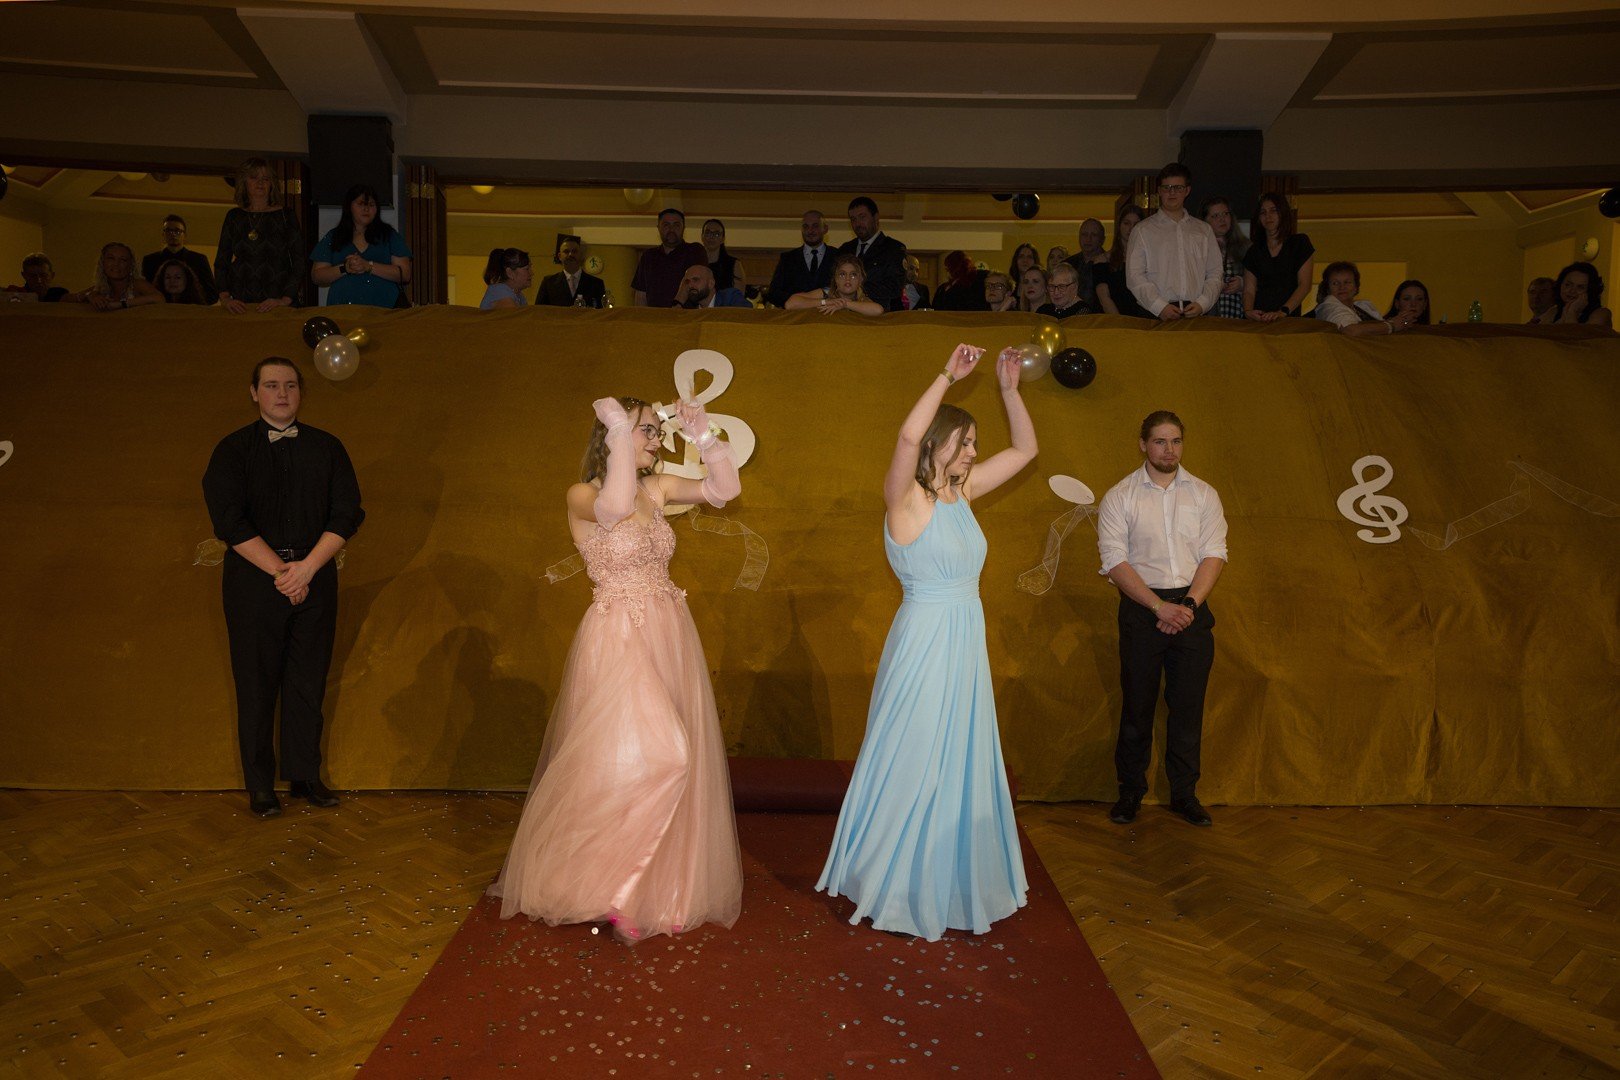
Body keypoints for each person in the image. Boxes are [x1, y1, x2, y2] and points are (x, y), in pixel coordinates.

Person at [489, 395, 743, 942]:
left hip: (668, 632)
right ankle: (611, 883)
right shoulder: (582, 495)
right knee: (652, 755)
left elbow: (725, 491)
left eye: (655, 431)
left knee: (654, 759)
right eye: (646, 430)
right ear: (613, 435)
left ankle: (648, 888)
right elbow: (614, 505)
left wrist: (702, 433)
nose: (656, 439)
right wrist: (618, 433)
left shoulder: (658, 488)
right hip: (619, 635)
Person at [818, 344, 1037, 941]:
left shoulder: (963, 494)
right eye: (964, 442)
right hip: (925, 641)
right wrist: (947, 375)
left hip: (964, 640)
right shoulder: (906, 499)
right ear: (940, 443)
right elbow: (907, 437)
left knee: (956, 756)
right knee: (915, 753)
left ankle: (948, 879)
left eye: (975, 444)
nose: (973, 452)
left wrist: (1009, 390)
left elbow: (1026, 451)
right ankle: (893, 880)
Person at [202, 358, 364, 818]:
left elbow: (347, 513)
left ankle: (304, 775)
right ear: (254, 392)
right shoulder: (232, 450)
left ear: (301, 393)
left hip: (315, 575)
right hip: (254, 582)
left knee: (307, 681)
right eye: (271, 385)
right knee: (255, 684)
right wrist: (281, 573)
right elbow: (229, 521)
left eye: (290, 385)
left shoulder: (328, 448)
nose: (282, 393)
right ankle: (260, 786)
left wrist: (306, 569)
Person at [1097, 411, 1227, 828]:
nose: (1169, 450)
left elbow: (1214, 554)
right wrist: (1158, 607)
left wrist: (1186, 606)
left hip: (1192, 609)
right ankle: (1130, 793)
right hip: (1141, 611)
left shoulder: (1204, 494)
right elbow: (1114, 561)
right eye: (1159, 442)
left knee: (1187, 709)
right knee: (1137, 707)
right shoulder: (1120, 496)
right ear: (1143, 445)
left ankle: (1185, 795)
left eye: (1175, 441)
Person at [1126, 163, 1222, 321]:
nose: (1172, 192)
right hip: (1154, 314)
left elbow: (1215, 273)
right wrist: (1159, 306)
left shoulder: (1204, 230)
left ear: (1187, 191)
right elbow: (1134, 276)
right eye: (1167, 188)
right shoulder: (1142, 230)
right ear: (1159, 191)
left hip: (1196, 312)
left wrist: (1203, 303)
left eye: (1178, 188)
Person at [215, 157, 305, 312]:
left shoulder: (286, 215)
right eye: (254, 177)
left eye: (266, 178)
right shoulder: (234, 216)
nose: (260, 182)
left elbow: (299, 261)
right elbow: (221, 261)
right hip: (240, 305)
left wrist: (285, 300)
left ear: (272, 184)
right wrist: (225, 298)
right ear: (244, 182)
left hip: (277, 303)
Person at [310, 185, 411, 308]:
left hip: (384, 311)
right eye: (361, 204)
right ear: (349, 206)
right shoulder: (334, 236)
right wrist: (345, 268)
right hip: (342, 310)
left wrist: (368, 266)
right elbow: (317, 275)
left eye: (371, 205)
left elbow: (405, 273)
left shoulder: (388, 235)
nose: (366, 209)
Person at [1242, 192, 1314, 321]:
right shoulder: (1254, 251)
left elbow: (1304, 285)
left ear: (1283, 213)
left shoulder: (1299, 243)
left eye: (1273, 210)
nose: (1268, 216)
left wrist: (1283, 312)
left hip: (1288, 319)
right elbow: (1249, 290)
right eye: (1263, 212)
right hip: (1259, 319)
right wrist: (1248, 312)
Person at [838, 196, 907, 312]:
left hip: (882, 315)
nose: (858, 223)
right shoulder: (845, 249)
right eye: (853, 219)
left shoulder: (893, 248)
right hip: (848, 315)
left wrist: (854, 288)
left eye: (862, 217)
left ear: (876, 217)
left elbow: (895, 287)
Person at [632, 208, 707, 307]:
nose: (671, 229)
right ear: (658, 228)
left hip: (687, 315)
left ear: (683, 228)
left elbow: (699, 285)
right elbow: (641, 294)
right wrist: (640, 316)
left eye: (676, 225)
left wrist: (677, 306)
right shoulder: (648, 256)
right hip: (654, 315)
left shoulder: (694, 251)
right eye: (666, 225)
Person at [1314, 262, 1413, 336]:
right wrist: (1391, 326)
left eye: (1347, 282)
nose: (1342, 287)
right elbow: (1351, 330)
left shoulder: (1363, 306)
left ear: (1356, 287)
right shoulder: (1328, 307)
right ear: (1328, 288)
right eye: (1335, 283)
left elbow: (1383, 327)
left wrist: (1403, 321)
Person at [141, 214, 219, 303]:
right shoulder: (150, 260)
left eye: (177, 231)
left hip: (190, 308)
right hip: (160, 308)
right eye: (168, 231)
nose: (173, 234)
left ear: (184, 235)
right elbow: (146, 291)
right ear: (163, 234)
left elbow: (212, 293)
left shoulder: (198, 259)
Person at [765, 210, 835, 307]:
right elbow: (773, 293)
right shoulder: (787, 259)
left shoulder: (838, 256)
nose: (810, 231)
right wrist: (797, 301)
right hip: (795, 314)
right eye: (806, 226)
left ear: (825, 229)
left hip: (831, 314)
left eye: (815, 226)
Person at [65, 242, 164, 310]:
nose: (116, 264)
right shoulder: (99, 289)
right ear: (102, 263)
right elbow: (64, 299)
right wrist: (88, 296)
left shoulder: (137, 284)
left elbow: (159, 298)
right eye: (111, 258)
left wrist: (120, 304)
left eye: (123, 260)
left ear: (131, 266)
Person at [785, 253, 884, 316]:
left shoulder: (861, 297)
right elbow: (790, 304)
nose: (848, 279)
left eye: (853, 275)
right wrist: (827, 302)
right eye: (842, 274)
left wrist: (844, 304)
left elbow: (878, 310)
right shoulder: (826, 292)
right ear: (835, 279)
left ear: (860, 280)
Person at [1094, 207, 1149, 318]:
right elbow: (1104, 298)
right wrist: (1120, 322)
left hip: (1145, 320)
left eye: (1136, 224)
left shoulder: (1150, 259)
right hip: (1116, 321)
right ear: (1119, 226)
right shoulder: (1103, 260)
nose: (1131, 228)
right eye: (1126, 223)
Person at [1201, 197, 1249, 319]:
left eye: (1225, 214)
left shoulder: (1246, 246)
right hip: (1208, 314)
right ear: (1204, 221)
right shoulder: (1198, 247)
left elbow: (1261, 279)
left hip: (1238, 312)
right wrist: (1214, 285)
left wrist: (1242, 283)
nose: (1222, 219)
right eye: (1215, 216)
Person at [1533, 262, 1612, 327]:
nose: (1572, 291)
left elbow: (1574, 337)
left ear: (1590, 291)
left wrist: (1572, 312)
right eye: (1568, 285)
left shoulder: (1601, 314)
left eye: (1580, 287)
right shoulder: (1553, 311)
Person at [537, 237, 606, 308]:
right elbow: (538, 311)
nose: (570, 254)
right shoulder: (548, 282)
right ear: (559, 256)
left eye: (574, 251)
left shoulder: (596, 284)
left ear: (580, 255)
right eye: (566, 251)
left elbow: (602, 312)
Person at [1065, 217, 1109, 310]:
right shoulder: (1068, 264)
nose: (1088, 239)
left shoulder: (1111, 264)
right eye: (1084, 234)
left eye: (1094, 235)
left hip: (1101, 316)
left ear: (1102, 239)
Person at [699, 218, 747, 295]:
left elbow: (738, 297)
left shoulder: (734, 264)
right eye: (708, 233)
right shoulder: (695, 263)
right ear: (702, 237)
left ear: (723, 239)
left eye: (717, 234)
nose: (712, 237)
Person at [674, 263, 750, 308]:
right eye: (687, 281)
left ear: (711, 283)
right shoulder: (688, 308)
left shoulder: (730, 297)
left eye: (696, 280)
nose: (690, 285)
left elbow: (748, 315)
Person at [4, 253, 70, 302]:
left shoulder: (60, 294)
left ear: (52, 275)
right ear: (24, 276)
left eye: (43, 275)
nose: (39, 280)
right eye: (33, 276)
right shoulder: (16, 292)